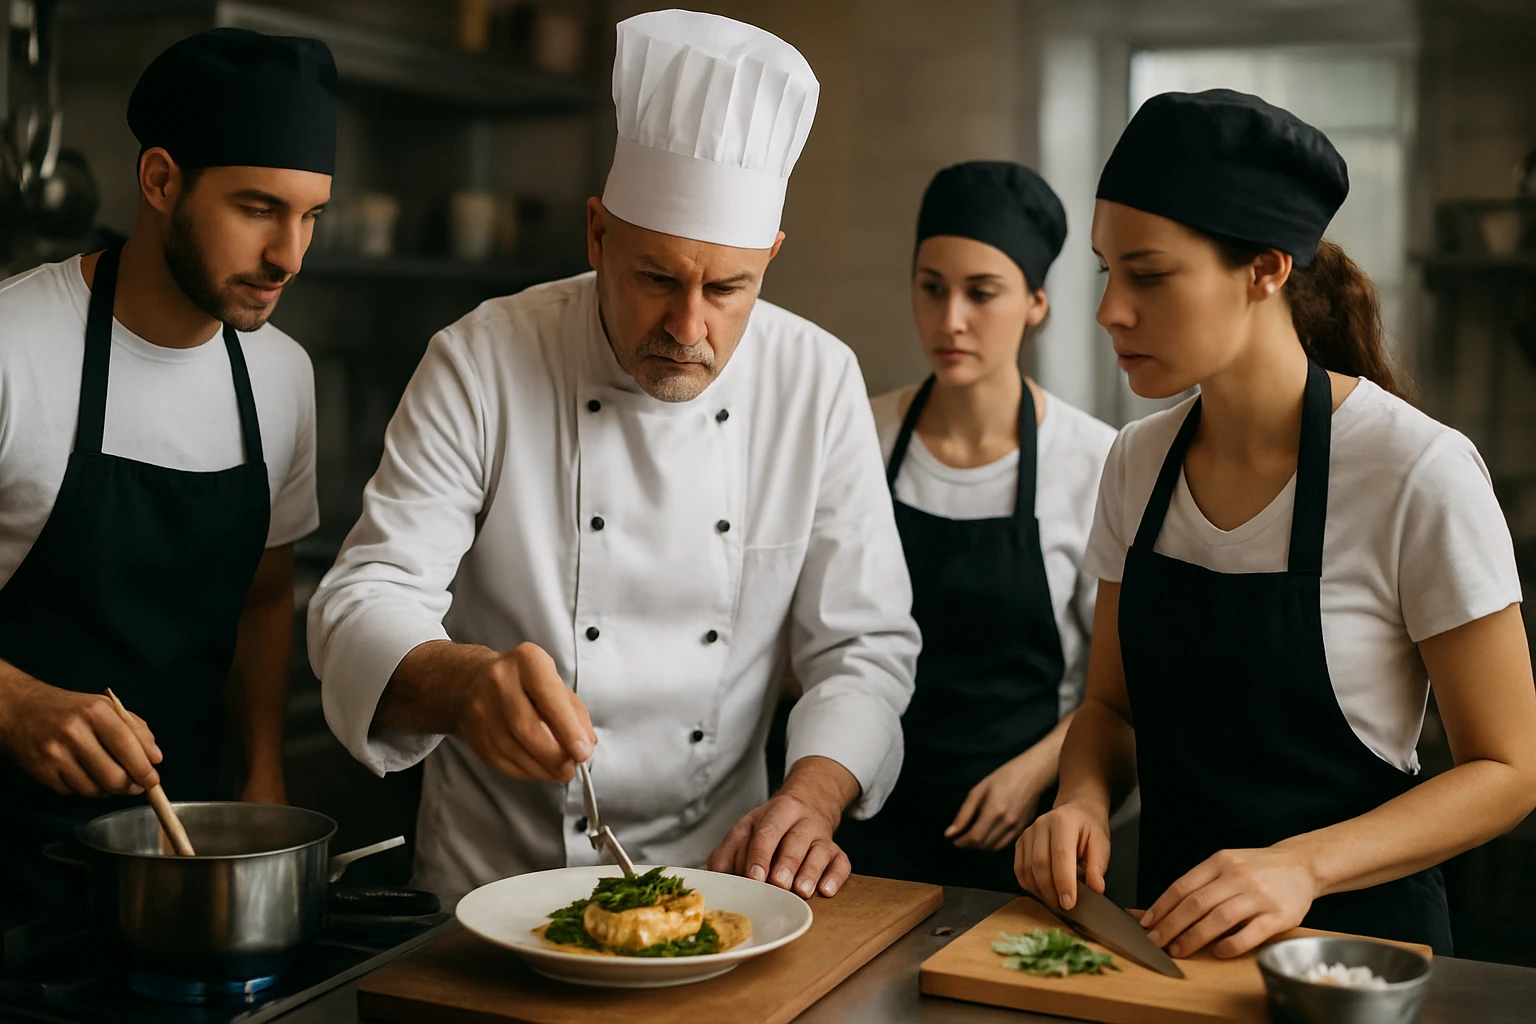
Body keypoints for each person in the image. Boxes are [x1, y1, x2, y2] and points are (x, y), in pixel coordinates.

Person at [309, 10, 918, 906]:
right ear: (597, 235)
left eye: (729, 287)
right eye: (657, 278)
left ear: (771, 259)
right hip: (492, 890)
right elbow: (364, 598)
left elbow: (862, 645)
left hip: (722, 888)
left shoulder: (816, 382)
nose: (689, 327)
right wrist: (463, 685)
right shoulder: (482, 359)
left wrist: (811, 798)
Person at [1016, 89, 1536, 956]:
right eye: (1107, 272)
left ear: (1266, 270)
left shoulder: (1418, 472)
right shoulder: (1138, 461)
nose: (1111, 310)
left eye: (1149, 274)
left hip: (1361, 964)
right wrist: (1080, 800)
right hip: (1172, 951)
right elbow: (1111, 708)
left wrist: (1302, 867)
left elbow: (1510, 770)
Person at [0, 28, 331, 922]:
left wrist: (262, 772)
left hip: (182, 875)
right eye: (258, 208)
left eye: (311, 216)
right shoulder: (13, 348)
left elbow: (265, 596)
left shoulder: (282, 377)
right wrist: (13, 703)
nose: (291, 255)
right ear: (159, 180)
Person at [836, 162, 1114, 892]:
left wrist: (1033, 774)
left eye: (981, 293)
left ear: (1037, 303)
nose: (950, 319)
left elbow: (1120, 689)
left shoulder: (1095, 461)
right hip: (862, 826)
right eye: (932, 288)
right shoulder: (858, 434)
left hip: (1022, 837)